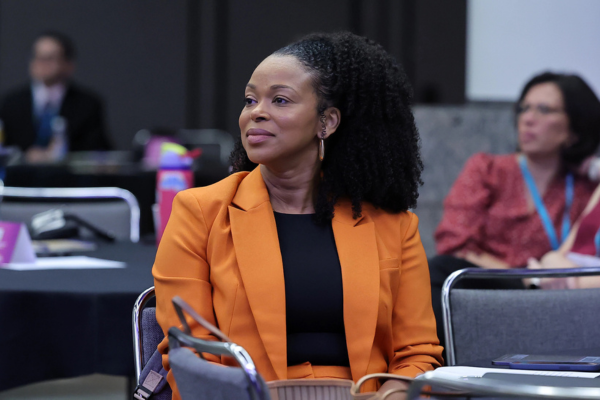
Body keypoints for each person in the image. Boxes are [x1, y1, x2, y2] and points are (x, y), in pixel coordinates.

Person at [154, 32, 443, 400]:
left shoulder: (394, 225)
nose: (256, 111)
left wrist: (391, 397)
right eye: (249, 100)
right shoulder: (200, 212)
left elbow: (417, 354)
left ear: (327, 122)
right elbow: (191, 355)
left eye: (279, 100)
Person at [429, 72, 600, 348]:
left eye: (544, 110)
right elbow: (456, 245)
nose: (528, 118)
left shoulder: (584, 186)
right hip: (497, 287)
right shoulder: (488, 169)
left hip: (560, 296)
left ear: (573, 130)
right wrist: (525, 279)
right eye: (524, 108)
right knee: (439, 270)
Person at [0, 31, 111, 163]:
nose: (42, 63)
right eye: (37, 57)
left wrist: (61, 156)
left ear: (68, 65)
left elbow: (99, 151)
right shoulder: (12, 102)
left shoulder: (87, 104)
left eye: (50, 58)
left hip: (68, 179)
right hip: (20, 179)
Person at [527, 180, 600, 289]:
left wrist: (574, 281)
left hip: (580, 288)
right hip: (566, 276)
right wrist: (550, 261)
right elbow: (563, 250)